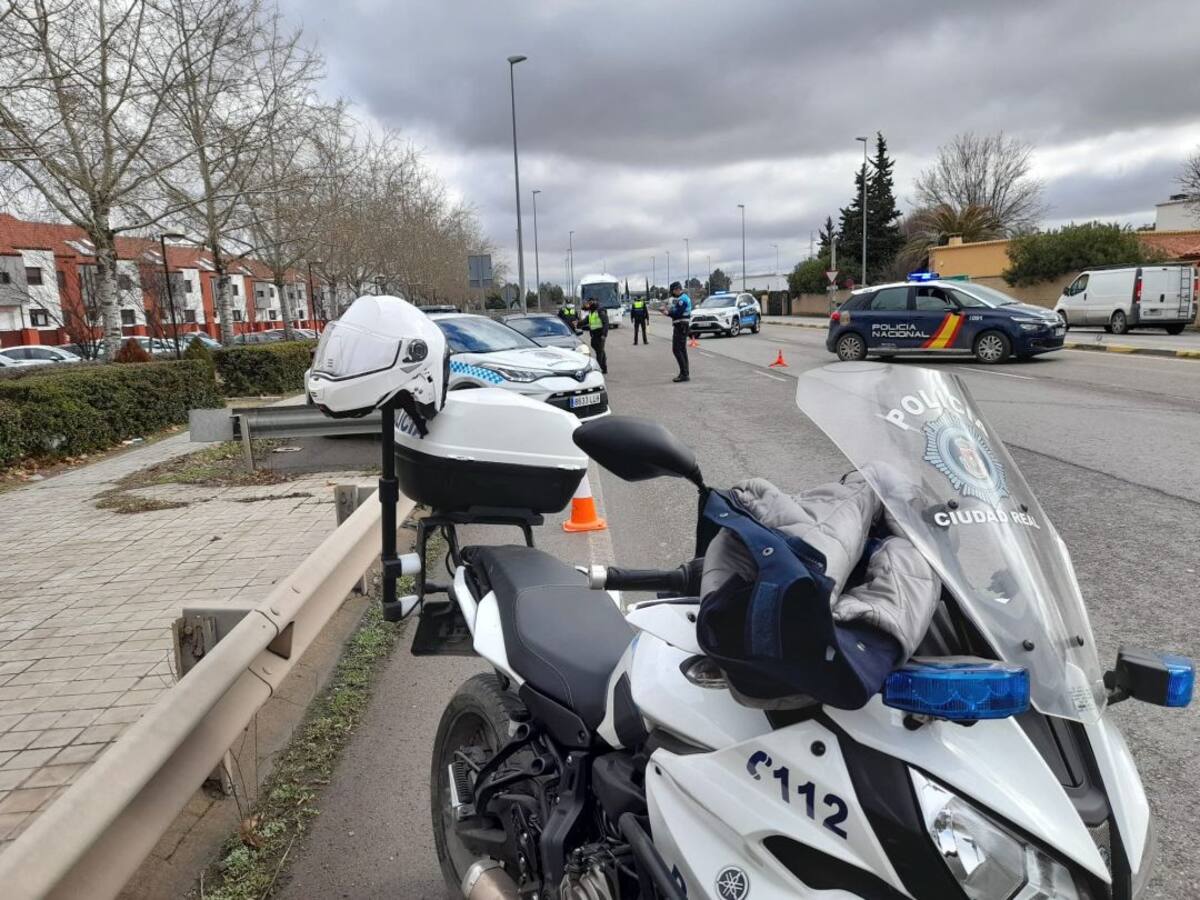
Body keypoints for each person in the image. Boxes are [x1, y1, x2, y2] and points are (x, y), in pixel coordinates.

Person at [662, 281, 692, 382]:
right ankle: (685, 373)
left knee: (677, 350)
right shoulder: (681, 299)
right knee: (682, 350)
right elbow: (675, 310)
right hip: (681, 326)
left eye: (673, 291)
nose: (672, 293)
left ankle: (684, 374)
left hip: (681, 326)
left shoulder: (682, 300)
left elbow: (677, 313)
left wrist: (667, 312)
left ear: (677, 289)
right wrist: (669, 311)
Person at [583, 298, 609, 374]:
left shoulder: (600, 311)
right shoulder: (591, 311)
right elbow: (585, 321)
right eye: (589, 303)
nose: (589, 304)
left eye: (590, 303)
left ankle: (598, 369)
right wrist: (577, 323)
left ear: (594, 302)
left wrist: (604, 334)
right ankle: (604, 368)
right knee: (600, 351)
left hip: (600, 335)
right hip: (594, 335)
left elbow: (606, 323)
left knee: (599, 353)